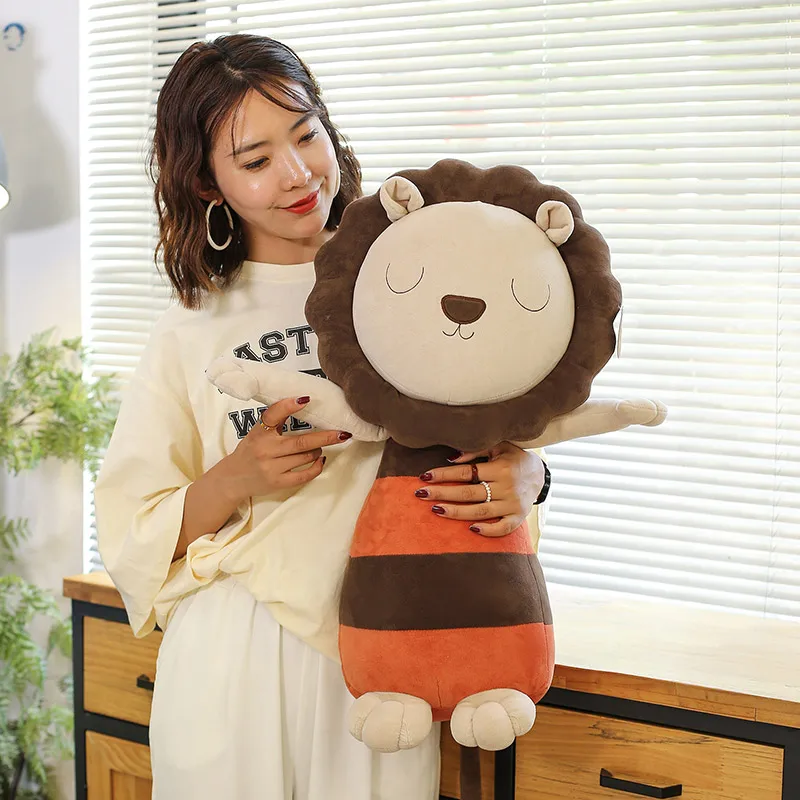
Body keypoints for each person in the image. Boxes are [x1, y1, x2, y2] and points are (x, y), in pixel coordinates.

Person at [95, 34, 548, 800]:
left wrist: (528, 476)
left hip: (386, 658)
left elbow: (500, 415)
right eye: (255, 159)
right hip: (234, 653)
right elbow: (130, 531)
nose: (298, 173)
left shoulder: (413, 281)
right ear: (206, 182)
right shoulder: (190, 328)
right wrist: (235, 478)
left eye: (305, 135)